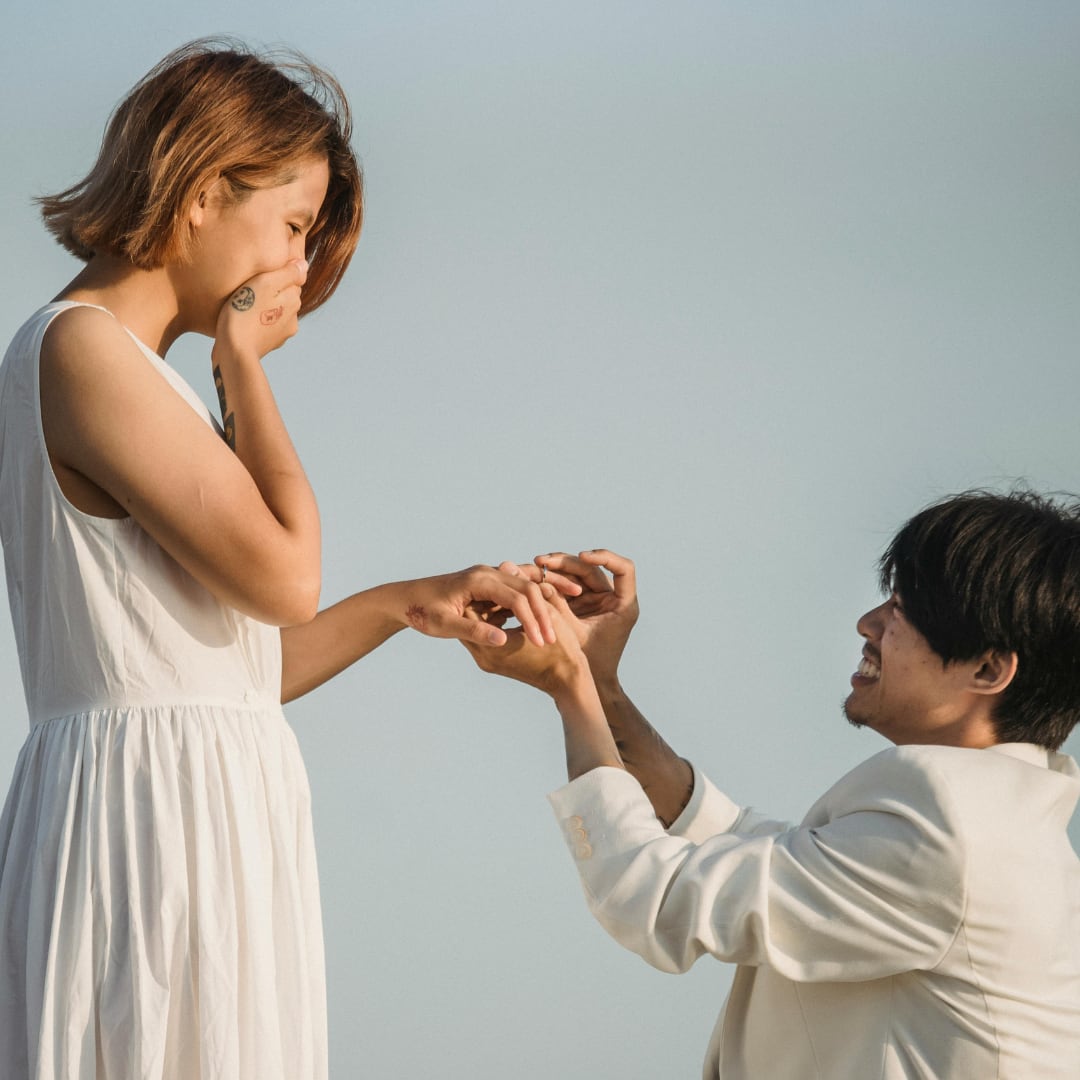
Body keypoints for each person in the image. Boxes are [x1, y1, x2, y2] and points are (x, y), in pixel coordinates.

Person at [0, 39, 560, 1079]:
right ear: (205, 188)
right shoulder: (85, 349)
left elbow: (223, 670)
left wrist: (405, 603)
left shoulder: (124, 369)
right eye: (295, 226)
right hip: (151, 820)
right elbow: (287, 577)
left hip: (188, 800)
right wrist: (242, 366)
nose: (298, 272)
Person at [464, 491, 1080, 1079]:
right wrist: (599, 685)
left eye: (904, 610)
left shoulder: (953, 826)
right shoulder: (997, 819)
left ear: (987, 668)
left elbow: (656, 899)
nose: (867, 623)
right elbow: (750, 853)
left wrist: (569, 684)